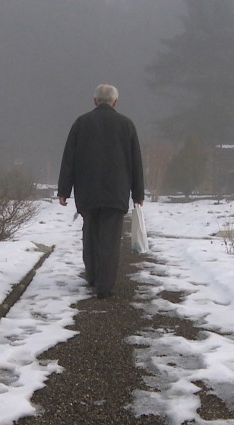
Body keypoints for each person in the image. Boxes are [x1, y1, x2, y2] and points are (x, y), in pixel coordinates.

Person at [57, 84, 145, 299]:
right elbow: (136, 162)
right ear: (115, 102)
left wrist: (64, 190)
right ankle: (105, 286)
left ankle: (93, 276)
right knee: (111, 240)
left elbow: (69, 158)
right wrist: (138, 193)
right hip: (116, 191)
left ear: (95, 101)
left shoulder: (81, 123)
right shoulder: (127, 125)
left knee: (90, 234)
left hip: (88, 191)